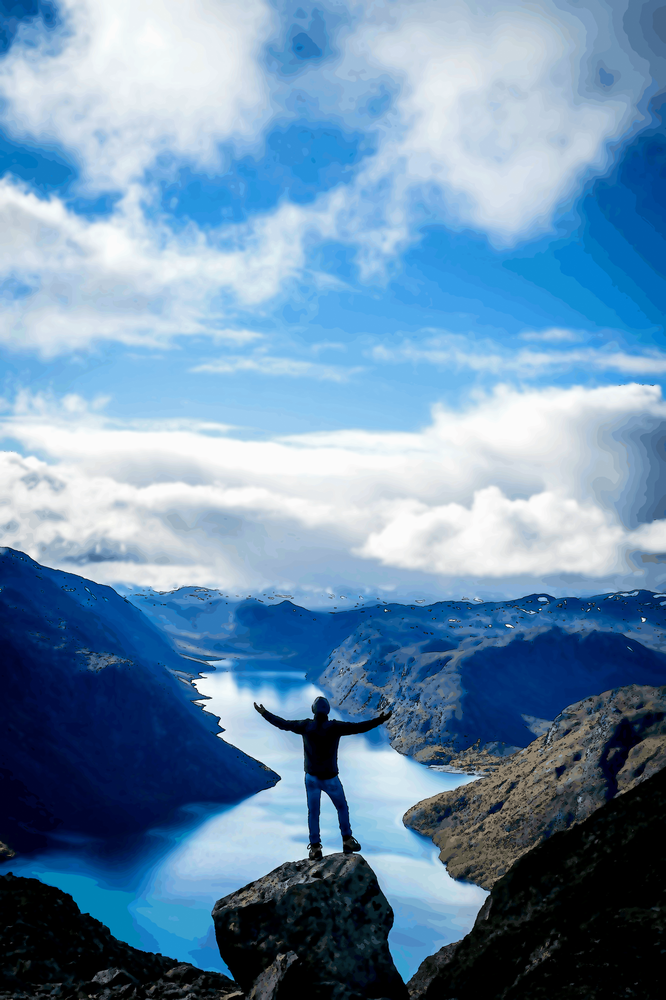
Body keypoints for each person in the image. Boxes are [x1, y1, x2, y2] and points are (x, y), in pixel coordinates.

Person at [254, 696, 392, 860]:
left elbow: (283, 724)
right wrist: (380, 720)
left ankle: (315, 848)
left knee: (313, 812)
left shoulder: (305, 725)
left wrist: (264, 713)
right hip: (331, 778)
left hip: (311, 778)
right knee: (342, 807)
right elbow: (359, 727)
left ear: (313, 710)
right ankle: (347, 840)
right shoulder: (335, 727)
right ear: (328, 711)